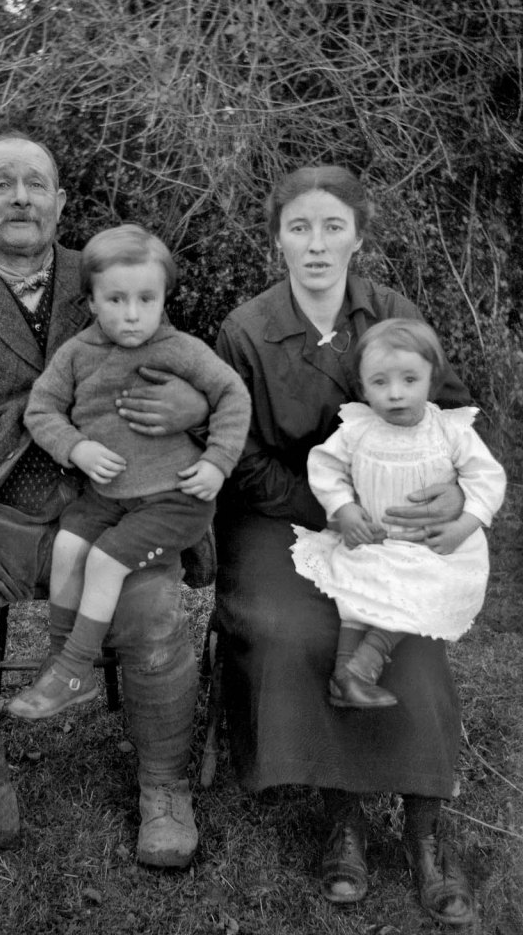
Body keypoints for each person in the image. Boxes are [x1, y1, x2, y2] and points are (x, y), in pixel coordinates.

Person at [0, 132, 210, 877]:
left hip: (111, 509)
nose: (21, 196)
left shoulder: (106, 279)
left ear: (61, 203)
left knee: (153, 610)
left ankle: (165, 791)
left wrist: (190, 399)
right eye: (3, 183)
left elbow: (178, 359)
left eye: (37, 183)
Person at [213, 165, 480, 926]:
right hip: (281, 512)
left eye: (333, 227)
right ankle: (345, 818)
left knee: (409, 630)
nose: (317, 244)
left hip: (389, 519)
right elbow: (240, 454)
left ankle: (429, 828)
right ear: (277, 240)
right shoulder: (246, 329)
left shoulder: (393, 313)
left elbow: (453, 415)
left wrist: (455, 492)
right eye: (299, 227)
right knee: (297, 627)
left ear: (358, 236)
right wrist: (329, 508)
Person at [6, 224, 250, 720]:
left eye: (146, 298)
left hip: (176, 498)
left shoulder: (178, 349)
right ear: (92, 301)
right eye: (116, 299)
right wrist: (76, 449)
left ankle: (75, 668)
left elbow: (233, 396)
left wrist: (217, 462)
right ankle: (61, 663)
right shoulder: (77, 354)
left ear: (163, 298)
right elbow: (41, 410)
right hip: (108, 495)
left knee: (104, 560)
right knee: (69, 549)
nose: (133, 313)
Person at [290, 317, 505, 710]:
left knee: (424, 590)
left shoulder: (448, 431)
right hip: (376, 539)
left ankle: (361, 666)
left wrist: (465, 524)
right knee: (359, 588)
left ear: (432, 379)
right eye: (380, 383)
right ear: (363, 386)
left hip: (432, 547)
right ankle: (347, 678)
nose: (395, 394)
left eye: (410, 380)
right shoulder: (358, 429)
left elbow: (486, 477)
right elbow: (324, 467)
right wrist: (346, 509)